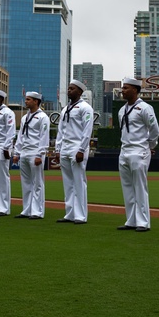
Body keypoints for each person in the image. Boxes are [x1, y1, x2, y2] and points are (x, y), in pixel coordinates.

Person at [118, 77, 159, 232]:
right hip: (124, 150)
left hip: (139, 150)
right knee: (127, 187)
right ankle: (131, 220)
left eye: (126, 88)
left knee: (140, 187)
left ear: (135, 90)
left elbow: (155, 130)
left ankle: (143, 222)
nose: (123, 90)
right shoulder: (122, 110)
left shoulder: (145, 108)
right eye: (123, 88)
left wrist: (149, 145)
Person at [56, 80, 93, 225]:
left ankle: (81, 215)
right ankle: (70, 213)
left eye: (72, 89)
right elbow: (61, 130)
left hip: (77, 146)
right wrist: (58, 149)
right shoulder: (65, 109)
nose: (69, 91)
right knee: (68, 182)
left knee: (79, 181)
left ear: (80, 91)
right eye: (68, 88)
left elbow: (87, 130)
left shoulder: (85, 107)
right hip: (65, 147)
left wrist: (82, 149)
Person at [14, 91, 50, 220]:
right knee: (26, 183)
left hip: (35, 151)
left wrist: (40, 154)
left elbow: (44, 136)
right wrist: (17, 152)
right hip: (24, 152)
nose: (26, 101)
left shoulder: (43, 117)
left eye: (29, 99)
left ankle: (37, 211)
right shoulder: (25, 117)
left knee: (37, 183)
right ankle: (27, 209)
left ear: (36, 101)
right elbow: (20, 136)